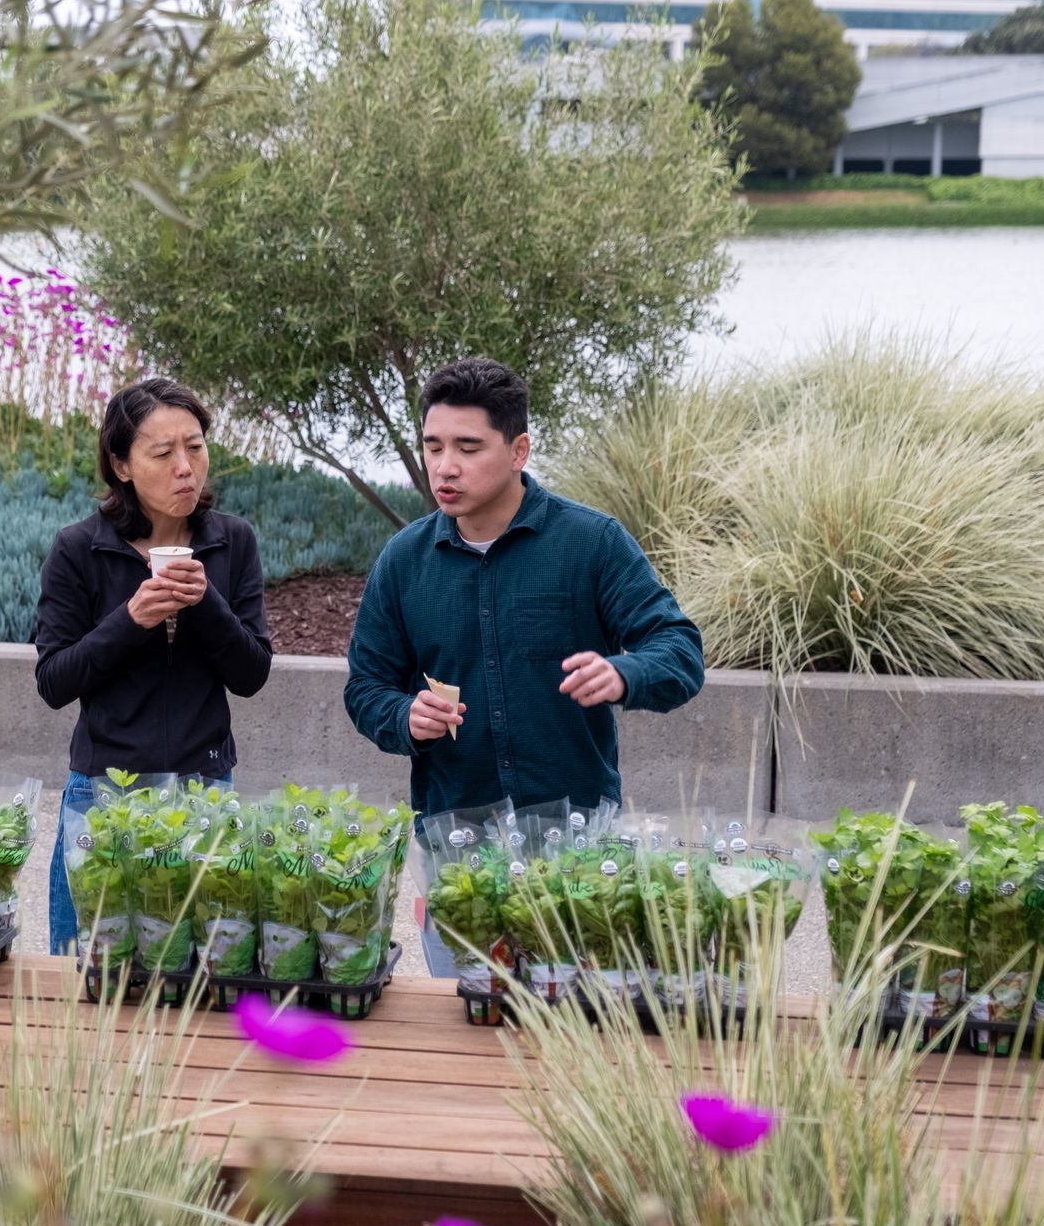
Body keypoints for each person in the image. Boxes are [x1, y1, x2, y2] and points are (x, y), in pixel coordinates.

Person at [344, 355, 704, 823]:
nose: (445, 467)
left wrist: (623, 673)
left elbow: (680, 650)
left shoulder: (592, 542)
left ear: (519, 451)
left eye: (468, 449)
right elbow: (366, 686)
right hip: (455, 833)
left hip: (577, 834)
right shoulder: (403, 559)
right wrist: (403, 716)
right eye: (433, 448)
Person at [35, 377, 272, 955]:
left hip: (205, 788)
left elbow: (252, 674)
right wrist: (130, 619)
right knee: (89, 966)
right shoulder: (79, 549)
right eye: (163, 453)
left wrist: (205, 603)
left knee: (203, 967)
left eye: (195, 447)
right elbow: (54, 681)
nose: (185, 468)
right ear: (122, 466)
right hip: (103, 792)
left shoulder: (233, 541)